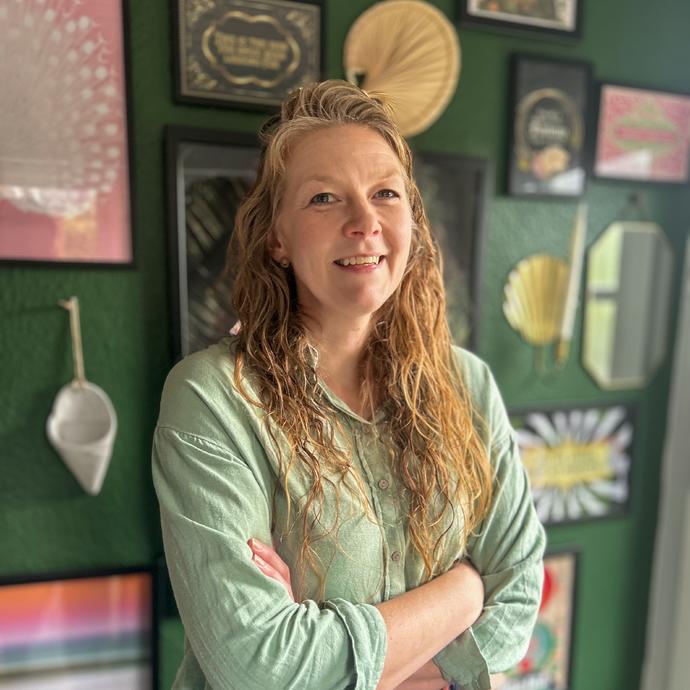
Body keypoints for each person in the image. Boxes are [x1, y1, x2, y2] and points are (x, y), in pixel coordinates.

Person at [152, 80, 546, 690]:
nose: (364, 222)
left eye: (385, 193)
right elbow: (261, 668)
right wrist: (467, 590)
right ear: (277, 238)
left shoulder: (468, 385)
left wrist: (342, 665)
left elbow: (517, 605)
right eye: (324, 198)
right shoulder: (212, 399)